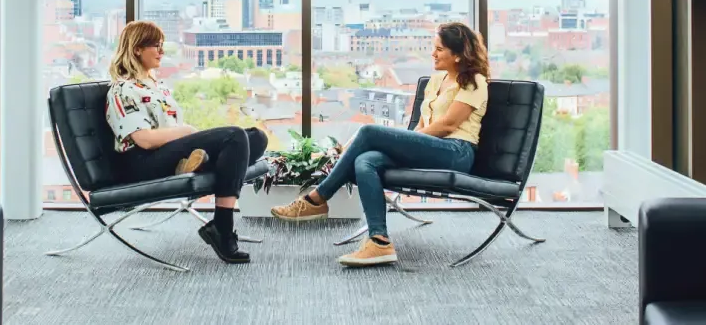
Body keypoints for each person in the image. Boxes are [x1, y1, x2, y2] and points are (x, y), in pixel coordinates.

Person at [271, 22, 490, 267]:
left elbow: (448, 125)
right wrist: (409, 142)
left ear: (459, 55)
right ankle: (379, 242)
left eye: (439, 49)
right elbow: (424, 126)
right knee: (365, 161)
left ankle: (316, 199)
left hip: (456, 152)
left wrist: (409, 141)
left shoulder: (475, 82)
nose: (433, 53)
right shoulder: (435, 81)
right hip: (431, 148)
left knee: (368, 132)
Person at [104, 21, 268, 264]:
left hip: (168, 152)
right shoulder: (122, 90)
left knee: (256, 137)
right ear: (136, 49)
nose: (161, 51)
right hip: (143, 162)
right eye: (155, 46)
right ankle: (222, 227)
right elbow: (144, 140)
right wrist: (188, 132)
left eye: (162, 46)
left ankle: (198, 163)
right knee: (234, 136)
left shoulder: (156, 86)